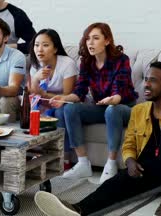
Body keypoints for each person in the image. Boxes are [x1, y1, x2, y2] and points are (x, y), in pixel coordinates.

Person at [34, 62, 161, 216]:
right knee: (115, 183)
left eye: (153, 81)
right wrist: (131, 160)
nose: (146, 84)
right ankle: (77, 210)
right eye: (146, 79)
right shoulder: (140, 110)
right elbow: (129, 145)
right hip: (148, 172)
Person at [50, 22, 138, 184]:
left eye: (95, 38)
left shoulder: (121, 60)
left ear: (107, 41)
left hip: (123, 108)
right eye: (88, 39)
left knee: (112, 110)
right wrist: (63, 98)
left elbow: (120, 90)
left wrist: (113, 99)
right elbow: (79, 92)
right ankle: (83, 163)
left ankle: (111, 164)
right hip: (101, 107)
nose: (90, 42)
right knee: (70, 109)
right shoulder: (86, 62)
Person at [29, 29, 78, 169]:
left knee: (60, 112)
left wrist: (43, 94)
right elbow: (34, 91)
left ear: (55, 48)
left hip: (67, 101)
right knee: (32, 110)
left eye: (45, 45)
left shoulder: (67, 63)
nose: (40, 49)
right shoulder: (35, 65)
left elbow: (66, 93)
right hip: (45, 102)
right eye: (37, 45)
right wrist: (36, 79)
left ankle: (65, 157)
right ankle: (36, 153)